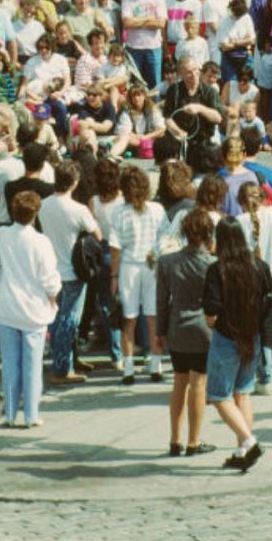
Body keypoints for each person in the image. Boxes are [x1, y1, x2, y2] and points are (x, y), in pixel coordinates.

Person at [0, 190, 61, 428]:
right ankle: (31, 414)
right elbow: (49, 278)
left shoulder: (2, 235)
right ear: (35, 214)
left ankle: (10, 413)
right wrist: (53, 295)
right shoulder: (41, 242)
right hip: (33, 310)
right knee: (32, 365)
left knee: (10, 364)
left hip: (7, 306)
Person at [203, 219, 272, 471]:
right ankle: (241, 451)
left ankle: (249, 441)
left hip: (226, 335)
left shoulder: (217, 270)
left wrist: (215, 324)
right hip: (253, 335)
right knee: (242, 392)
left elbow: (210, 311)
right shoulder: (259, 266)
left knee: (218, 396)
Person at [157, 207, 217, 456]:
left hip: (177, 327)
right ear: (208, 234)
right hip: (203, 330)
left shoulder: (167, 261)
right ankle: (194, 441)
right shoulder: (212, 264)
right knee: (198, 384)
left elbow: (161, 300)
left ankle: (174, 439)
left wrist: (160, 331)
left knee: (179, 382)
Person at [39, 160, 100, 385]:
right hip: (73, 272)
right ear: (74, 183)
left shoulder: (43, 205)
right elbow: (97, 235)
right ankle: (62, 368)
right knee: (68, 321)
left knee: (58, 319)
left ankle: (71, 360)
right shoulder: (79, 210)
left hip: (51, 270)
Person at [109, 164, 166, 385]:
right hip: (152, 265)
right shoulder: (157, 209)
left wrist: (113, 277)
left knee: (129, 318)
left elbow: (115, 248)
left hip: (129, 266)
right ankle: (156, 364)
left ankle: (129, 368)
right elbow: (165, 237)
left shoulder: (119, 212)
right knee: (153, 318)